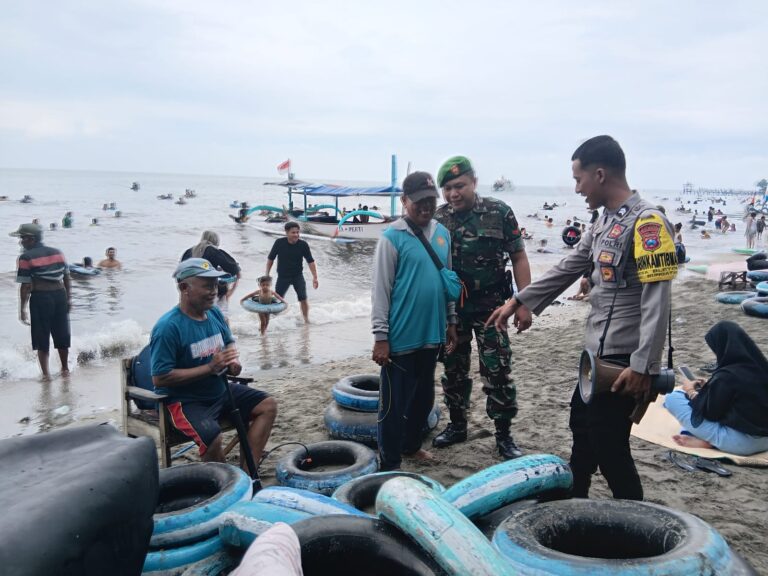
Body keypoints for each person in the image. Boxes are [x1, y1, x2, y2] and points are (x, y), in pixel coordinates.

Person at [487, 135, 676, 500]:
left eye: (579, 179)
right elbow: (570, 265)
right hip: (595, 357)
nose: (577, 188)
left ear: (600, 174)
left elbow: (658, 299)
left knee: (611, 449)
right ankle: (574, 504)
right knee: (582, 431)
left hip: (624, 361)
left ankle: (638, 527)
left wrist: (643, 366)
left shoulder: (649, 223)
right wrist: (520, 300)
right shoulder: (606, 220)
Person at [432, 156, 532, 460]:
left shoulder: (499, 212)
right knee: (453, 369)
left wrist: (525, 302)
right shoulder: (438, 220)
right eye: (447, 188)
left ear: (474, 182)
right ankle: (457, 425)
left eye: (459, 186)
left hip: (493, 308)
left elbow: (519, 257)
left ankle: (503, 436)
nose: (453, 194)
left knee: (498, 370)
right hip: (453, 311)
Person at [150, 258, 277, 464]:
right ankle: (223, 484)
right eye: (207, 286)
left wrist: (233, 363)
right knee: (212, 438)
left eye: (216, 285)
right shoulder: (168, 327)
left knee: (268, 405)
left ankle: (247, 474)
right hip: (185, 402)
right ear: (184, 287)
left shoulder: (215, 314)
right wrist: (210, 367)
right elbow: (160, 377)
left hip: (219, 391)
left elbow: (228, 345)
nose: (214, 291)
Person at [371, 172, 458, 471]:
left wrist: (451, 321)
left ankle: (410, 446)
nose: (426, 207)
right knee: (393, 406)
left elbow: (448, 283)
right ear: (404, 201)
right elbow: (381, 291)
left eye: (431, 201)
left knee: (423, 400)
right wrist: (381, 337)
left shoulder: (443, 234)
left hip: (432, 335)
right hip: (400, 338)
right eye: (419, 202)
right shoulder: (391, 238)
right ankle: (390, 462)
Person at [664, 321, 768, 455]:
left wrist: (690, 391)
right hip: (765, 441)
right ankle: (710, 442)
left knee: (673, 398)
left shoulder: (727, 375)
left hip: (742, 444)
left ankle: (712, 442)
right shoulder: (760, 366)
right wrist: (711, 386)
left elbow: (710, 413)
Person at [12, 223, 72, 379]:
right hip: (59, 296)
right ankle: (65, 369)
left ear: (31, 239)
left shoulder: (26, 257)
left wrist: (22, 309)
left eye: (22, 238)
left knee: (41, 337)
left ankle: (46, 375)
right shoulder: (57, 252)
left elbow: (25, 285)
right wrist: (68, 299)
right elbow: (66, 277)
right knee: (62, 334)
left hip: (41, 297)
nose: (21, 242)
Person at [181, 231, 241, 322]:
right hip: (208, 291)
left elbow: (181, 274)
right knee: (220, 318)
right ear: (216, 241)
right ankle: (225, 335)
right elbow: (232, 268)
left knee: (193, 319)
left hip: (189, 292)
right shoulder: (212, 250)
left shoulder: (188, 252)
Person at [266, 222, 319, 323]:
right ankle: (272, 322)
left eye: (297, 232)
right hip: (283, 277)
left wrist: (315, 277)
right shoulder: (279, 243)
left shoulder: (303, 245)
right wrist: (267, 274)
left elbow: (310, 261)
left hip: (297, 276)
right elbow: (270, 259)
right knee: (278, 300)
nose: (296, 235)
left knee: (303, 298)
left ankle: (306, 320)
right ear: (286, 232)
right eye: (293, 232)